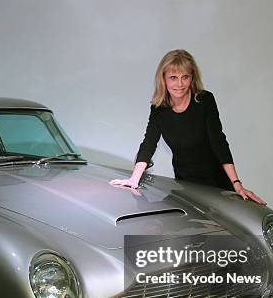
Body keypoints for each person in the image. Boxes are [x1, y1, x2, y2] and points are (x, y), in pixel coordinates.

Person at [109, 49, 265, 204]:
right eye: (173, 78)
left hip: (216, 184)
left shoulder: (204, 100)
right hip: (185, 185)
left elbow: (219, 142)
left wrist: (237, 184)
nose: (179, 84)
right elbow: (149, 143)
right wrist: (133, 180)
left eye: (185, 77)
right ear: (163, 79)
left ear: (192, 78)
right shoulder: (159, 109)